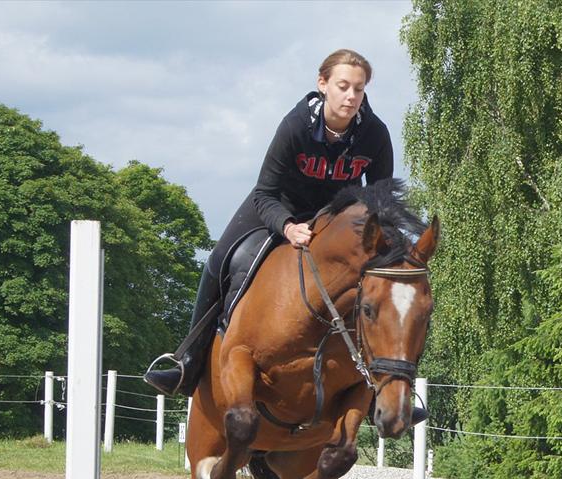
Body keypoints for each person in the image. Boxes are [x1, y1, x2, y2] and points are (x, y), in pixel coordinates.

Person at [144, 48, 394, 397]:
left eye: (359, 88)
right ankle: (187, 363)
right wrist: (288, 226)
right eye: (343, 86)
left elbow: (380, 199)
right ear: (322, 84)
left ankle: (385, 389)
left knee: (392, 280)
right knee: (219, 259)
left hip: (334, 221)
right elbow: (265, 192)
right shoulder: (295, 126)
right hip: (279, 206)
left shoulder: (375, 134)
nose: (351, 96)